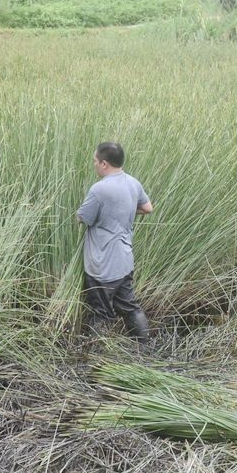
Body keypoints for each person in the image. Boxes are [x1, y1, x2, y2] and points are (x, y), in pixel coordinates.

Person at [77, 142, 154, 341]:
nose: (94, 165)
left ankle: (99, 355)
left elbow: (82, 218)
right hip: (124, 261)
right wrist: (126, 210)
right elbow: (148, 208)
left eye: (95, 161)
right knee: (130, 307)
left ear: (104, 164)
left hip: (102, 265)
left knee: (100, 312)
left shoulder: (99, 190)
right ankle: (145, 345)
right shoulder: (133, 183)